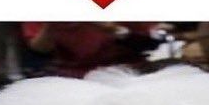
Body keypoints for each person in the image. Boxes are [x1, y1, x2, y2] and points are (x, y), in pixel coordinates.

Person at [22, 22, 159, 78]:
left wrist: (110, 28)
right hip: (71, 76)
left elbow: (150, 41)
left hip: (128, 71)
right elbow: (39, 51)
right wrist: (51, 27)